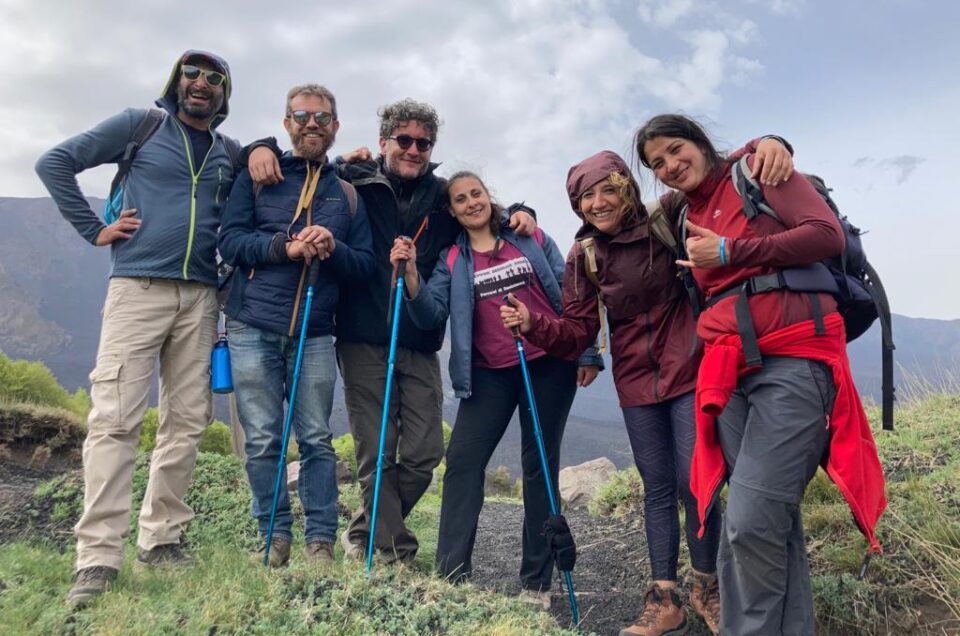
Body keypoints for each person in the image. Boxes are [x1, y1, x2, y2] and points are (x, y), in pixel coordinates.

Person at [500, 137, 793, 635]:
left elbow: (708, 172)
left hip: (692, 368)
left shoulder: (668, 217)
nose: (596, 205)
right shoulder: (584, 254)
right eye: (584, 199)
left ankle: (708, 587)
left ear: (625, 188)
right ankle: (666, 598)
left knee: (693, 482)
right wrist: (532, 324)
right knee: (657, 488)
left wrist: (766, 144)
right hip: (635, 382)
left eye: (604, 192)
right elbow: (576, 332)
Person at [247, 99, 538, 563]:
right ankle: (392, 552)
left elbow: (481, 208)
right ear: (383, 142)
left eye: (423, 142)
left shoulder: (443, 197)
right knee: (377, 452)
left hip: (421, 337)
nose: (414, 149)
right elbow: (311, 163)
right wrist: (261, 145)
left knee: (425, 451)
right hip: (363, 334)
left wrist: (523, 210)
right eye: (404, 140)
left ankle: (364, 530)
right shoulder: (354, 180)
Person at [635, 114, 886, 636]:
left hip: (794, 361)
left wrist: (731, 251)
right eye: (657, 163)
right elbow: (613, 217)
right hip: (729, 373)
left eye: (676, 150)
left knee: (750, 521)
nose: (670, 166)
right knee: (767, 521)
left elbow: (824, 235)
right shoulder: (683, 213)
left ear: (701, 143)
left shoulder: (758, 169)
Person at [35, 50, 240, 607]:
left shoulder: (229, 153)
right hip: (137, 289)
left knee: (188, 421)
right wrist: (94, 229)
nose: (201, 84)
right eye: (192, 75)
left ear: (225, 92)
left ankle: (161, 539)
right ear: (176, 81)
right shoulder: (140, 126)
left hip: (201, 297)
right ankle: (98, 556)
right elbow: (55, 162)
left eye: (214, 78)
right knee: (115, 419)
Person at [390, 171, 602, 608]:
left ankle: (537, 583)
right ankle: (450, 574)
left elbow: (570, 293)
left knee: (539, 465)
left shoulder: (529, 237)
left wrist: (587, 353)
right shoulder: (452, 259)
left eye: (477, 194)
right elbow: (430, 314)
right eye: (461, 199)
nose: (471, 203)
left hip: (548, 362)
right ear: (451, 210)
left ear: (489, 197)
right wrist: (410, 274)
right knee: (464, 462)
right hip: (489, 374)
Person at [218, 84, 374, 567]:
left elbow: (365, 265)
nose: (312, 124)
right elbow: (230, 241)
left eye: (322, 118)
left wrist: (334, 247)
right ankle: (275, 535)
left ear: (335, 128)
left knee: (316, 439)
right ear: (286, 123)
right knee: (263, 439)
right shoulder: (259, 174)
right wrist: (282, 248)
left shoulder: (347, 194)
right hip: (250, 324)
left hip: (315, 331)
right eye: (302, 115)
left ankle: (320, 541)